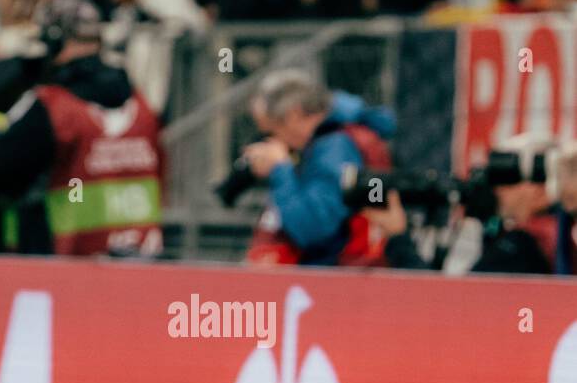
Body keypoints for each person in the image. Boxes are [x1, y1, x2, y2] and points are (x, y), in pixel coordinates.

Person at [0, 0, 164, 257]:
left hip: (65, 271)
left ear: (53, 42)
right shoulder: (142, 107)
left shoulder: (57, 109)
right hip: (143, 264)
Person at [242, 70, 395, 266]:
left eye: (272, 131)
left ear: (294, 115)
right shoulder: (324, 143)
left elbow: (312, 229)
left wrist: (280, 169)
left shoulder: (335, 147)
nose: (270, 142)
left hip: (339, 278)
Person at [366, 136, 568, 274]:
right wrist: (489, 220)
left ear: (541, 189)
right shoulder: (554, 233)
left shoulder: (525, 244)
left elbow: (447, 306)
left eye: (506, 180)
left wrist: (398, 237)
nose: (497, 190)